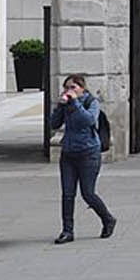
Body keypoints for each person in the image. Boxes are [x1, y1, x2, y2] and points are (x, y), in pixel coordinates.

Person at [46, 74, 116, 244]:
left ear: (82, 88)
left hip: (88, 154)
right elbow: (54, 124)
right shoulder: (66, 104)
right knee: (68, 194)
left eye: (73, 87)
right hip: (69, 154)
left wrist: (75, 102)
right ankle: (67, 231)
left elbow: (88, 120)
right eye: (66, 87)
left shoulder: (91, 102)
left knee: (88, 193)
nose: (69, 91)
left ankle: (108, 219)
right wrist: (59, 107)